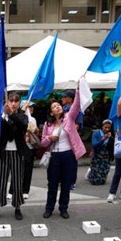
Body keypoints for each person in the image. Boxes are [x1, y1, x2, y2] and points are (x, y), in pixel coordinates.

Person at [40, 85, 86, 219]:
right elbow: (43, 143)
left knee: (66, 183)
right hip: (54, 156)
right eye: (54, 107)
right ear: (51, 113)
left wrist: (78, 89)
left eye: (58, 105)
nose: (57, 107)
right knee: (52, 184)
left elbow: (76, 105)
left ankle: (63, 208)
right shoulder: (47, 125)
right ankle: (49, 208)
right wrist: (50, 138)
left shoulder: (69, 118)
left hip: (68, 155)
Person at [0, 92, 30, 222]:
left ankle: (17, 207)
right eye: (11, 101)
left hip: (17, 152)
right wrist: (5, 115)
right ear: (7, 102)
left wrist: (12, 114)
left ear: (19, 103)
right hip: (4, 152)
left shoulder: (23, 116)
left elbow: (22, 127)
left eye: (16, 101)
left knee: (18, 181)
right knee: (0, 181)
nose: (13, 103)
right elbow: (0, 129)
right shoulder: (1, 116)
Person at [87, 119, 114, 186]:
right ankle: (90, 175)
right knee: (95, 179)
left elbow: (112, 147)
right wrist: (103, 139)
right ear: (102, 127)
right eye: (105, 127)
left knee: (104, 173)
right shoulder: (96, 133)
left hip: (106, 155)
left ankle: (102, 179)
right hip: (97, 154)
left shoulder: (111, 135)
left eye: (109, 128)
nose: (107, 129)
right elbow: (94, 145)